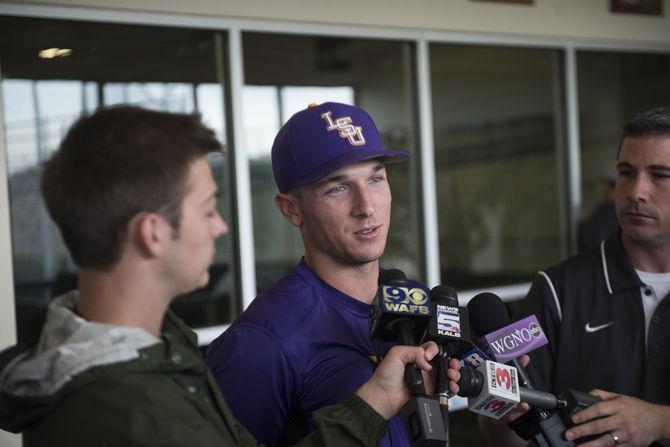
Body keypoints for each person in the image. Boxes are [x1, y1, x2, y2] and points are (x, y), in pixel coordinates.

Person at [0, 105, 450, 446]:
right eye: (208, 209)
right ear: (152, 233)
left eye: (376, 179)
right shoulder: (131, 407)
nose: (220, 227)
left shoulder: (166, 354)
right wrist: (369, 407)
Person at [206, 102, 418, 446]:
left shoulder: (414, 303)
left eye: (376, 178)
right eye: (338, 187)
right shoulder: (260, 342)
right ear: (291, 209)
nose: (367, 207)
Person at [468, 106, 670, 447]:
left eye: (660, 175)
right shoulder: (556, 290)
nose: (636, 191)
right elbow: (508, 438)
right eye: (626, 172)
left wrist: (658, 421)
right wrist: (501, 417)